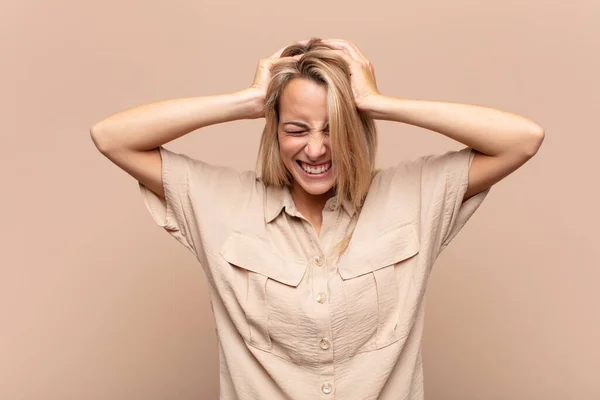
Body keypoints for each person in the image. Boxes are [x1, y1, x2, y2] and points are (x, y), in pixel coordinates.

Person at [90, 38, 544, 399]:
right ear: (273, 130)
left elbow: (522, 139)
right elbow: (112, 138)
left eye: (334, 128)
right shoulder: (219, 204)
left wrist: (379, 103)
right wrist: (247, 99)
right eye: (296, 128)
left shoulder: (413, 197)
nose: (315, 149)